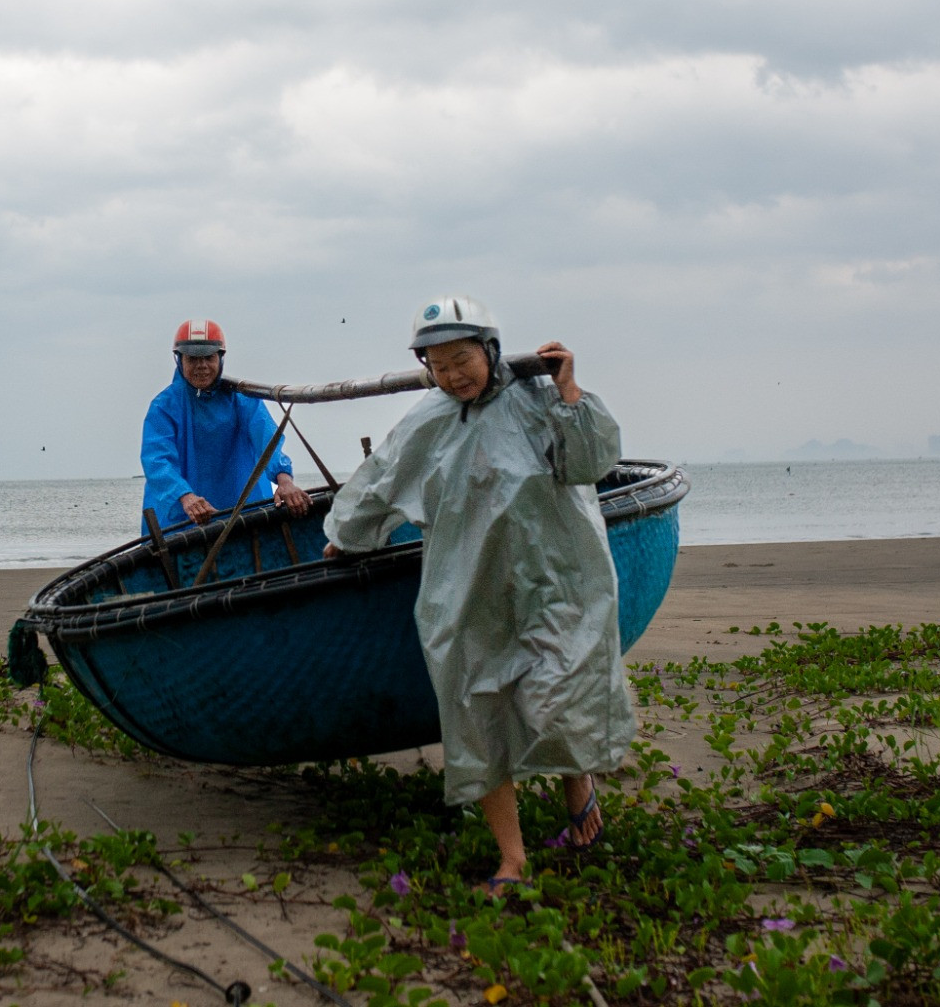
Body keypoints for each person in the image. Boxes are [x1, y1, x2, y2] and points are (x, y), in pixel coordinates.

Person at [321, 295, 634, 891]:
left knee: (560, 693)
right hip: (465, 592)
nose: (452, 374)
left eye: (461, 358)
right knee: (477, 711)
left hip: (557, 580)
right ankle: (512, 859)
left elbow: (593, 462)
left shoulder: (540, 400)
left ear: (489, 348)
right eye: (438, 364)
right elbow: (381, 483)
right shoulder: (428, 420)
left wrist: (570, 390)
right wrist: (348, 536)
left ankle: (579, 792)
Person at [141, 319, 313, 530]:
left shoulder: (242, 399)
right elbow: (157, 461)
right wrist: (185, 497)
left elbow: (267, 441)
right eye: (193, 359)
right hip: (180, 519)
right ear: (179, 360)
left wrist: (284, 480)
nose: (201, 366)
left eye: (208, 358)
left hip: (243, 517)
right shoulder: (163, 407)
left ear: (221, 357)